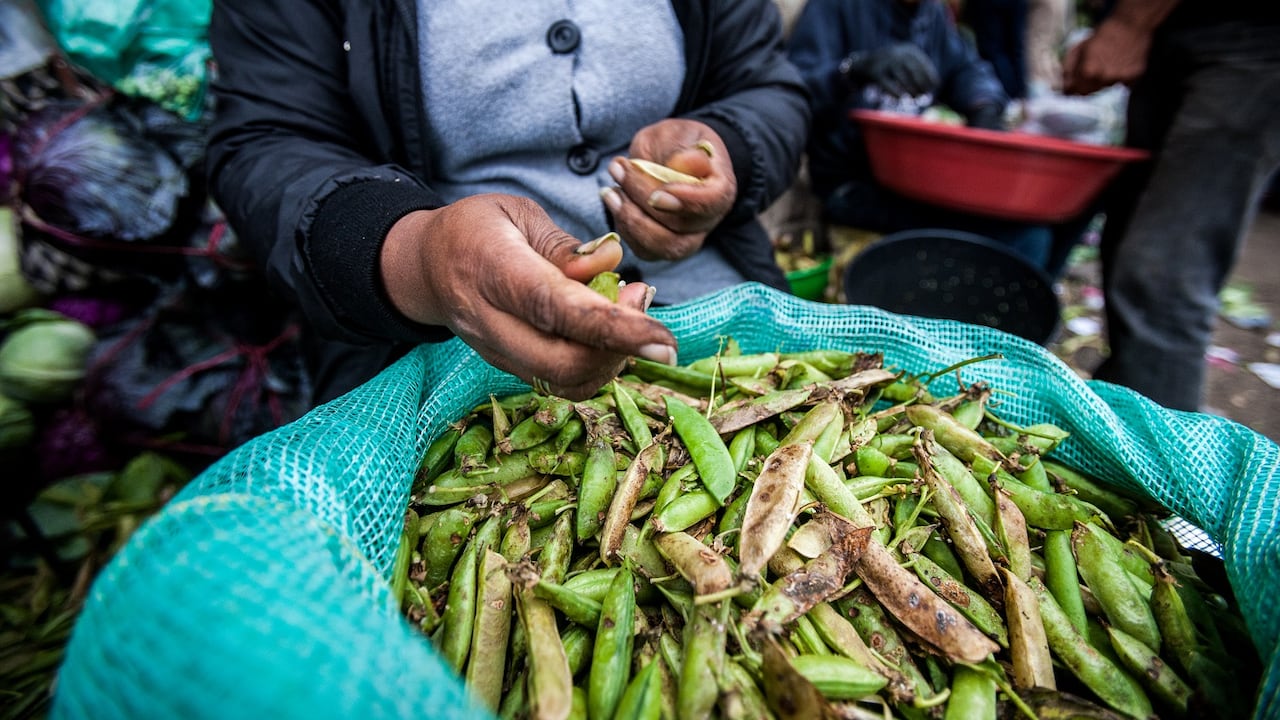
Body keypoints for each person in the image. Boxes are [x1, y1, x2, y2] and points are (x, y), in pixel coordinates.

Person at [205, 0, 810, 406]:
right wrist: (417, 254)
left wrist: (720, 149)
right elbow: (267, 144)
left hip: (722, 314)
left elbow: (763, 82)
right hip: (455, 353)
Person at [1063, 0, 1280, 411]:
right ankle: (1124, 410)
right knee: (1127, 240)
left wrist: (1129, 23)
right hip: (1179, 32)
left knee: (1164, 267)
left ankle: (1157, 438)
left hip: (1249, 37)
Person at [786, 0, 1056, 272]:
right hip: (850, 184)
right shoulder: (836, 7)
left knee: (1040, 223)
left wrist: (984, 106)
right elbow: (795, 88)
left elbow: (968, 70)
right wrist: (854, 69)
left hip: (915, 179)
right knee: (1022, 238)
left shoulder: (931, 15)